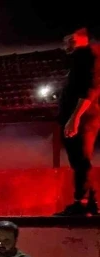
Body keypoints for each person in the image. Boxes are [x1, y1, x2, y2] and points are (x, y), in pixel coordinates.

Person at [56, 27, 100, 216]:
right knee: (80, 160)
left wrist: (75, 118)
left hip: (83, 117)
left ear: (82, 39)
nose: (67, 43)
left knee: (81, 160)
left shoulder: (88, 55)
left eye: (71, 39)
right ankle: (90, 203)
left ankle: (81, 203)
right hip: (80, 116)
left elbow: (90, 89)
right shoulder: (81, 59)